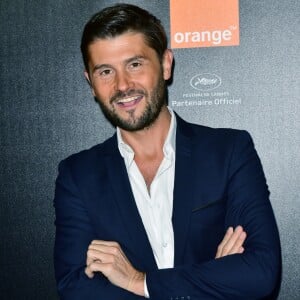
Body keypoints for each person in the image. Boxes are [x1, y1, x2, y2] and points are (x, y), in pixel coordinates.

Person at [54, 3, 281, 299]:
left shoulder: (229, 152)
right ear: (91, 83)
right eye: (106, 71)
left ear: (165, 64)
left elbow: (259, 272)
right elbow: (76, 288)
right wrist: (214, 281)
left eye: (135, 64)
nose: (123, 85)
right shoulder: (77, 176)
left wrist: (139, 282)